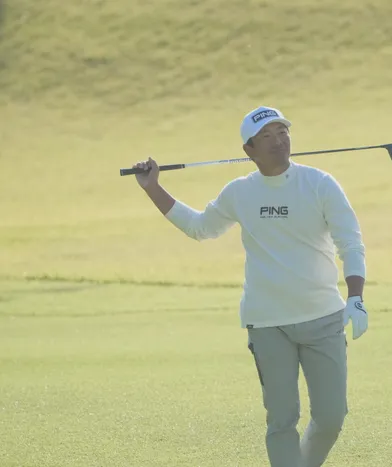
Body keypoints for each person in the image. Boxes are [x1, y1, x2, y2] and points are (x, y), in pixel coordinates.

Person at [130, 105, 369, 467]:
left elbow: (350, 243)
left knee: (331, 417)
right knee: (282, 420)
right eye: (267, 136)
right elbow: (199, 227)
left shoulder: (320, 184)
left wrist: (356, 298)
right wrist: (153, 188)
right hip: (267, 323)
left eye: (283, 132)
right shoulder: (240, 192)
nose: (279, 141)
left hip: (323, 318)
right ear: (249, 149)